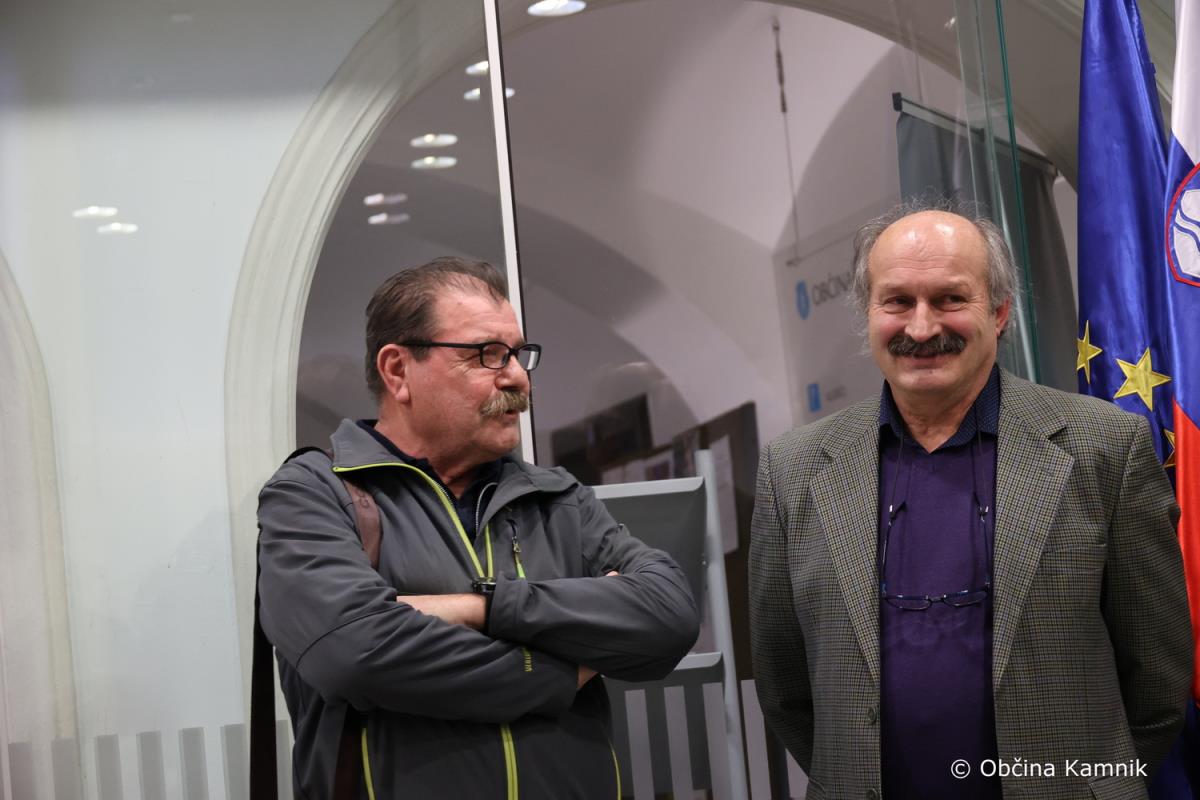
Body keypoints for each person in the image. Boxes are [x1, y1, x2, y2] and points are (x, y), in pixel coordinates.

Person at [749, 203, 1193, 800]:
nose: (922, 327)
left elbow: (1158, 679)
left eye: (950, 299)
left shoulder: (1104, 450)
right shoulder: (793, 471)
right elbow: (784, 689)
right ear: (868, 313)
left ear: (999, 311)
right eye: (897, 301)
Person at [257, 256, 699, 798]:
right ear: (398, 371)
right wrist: (564, 668)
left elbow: (668, 615)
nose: (517, 377)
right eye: (487, 354)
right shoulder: (314, 493)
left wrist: (483, 607)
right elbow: (355, 652)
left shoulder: (557, 498)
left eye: (517, 354)